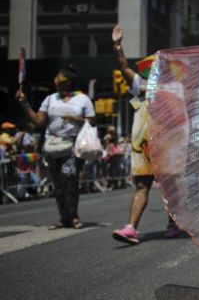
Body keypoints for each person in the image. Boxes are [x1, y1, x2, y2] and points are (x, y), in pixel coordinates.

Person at [110, 25, 180, 245]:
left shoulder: (174, 88)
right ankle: (131, 228)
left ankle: (173, 222)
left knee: (170, 187)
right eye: (150, 66)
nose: (151, 69)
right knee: (142, 185)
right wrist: (117, 46)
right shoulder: (138, 84)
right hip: (142, 146)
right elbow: (123, 67)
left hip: (168, 145)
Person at [16, 65, 95, 229]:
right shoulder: (50, 99)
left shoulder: (82, 99)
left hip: (73, 145)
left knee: (69, 175)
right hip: (52, 144)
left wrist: (74, 119)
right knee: (58, 183)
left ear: (69, 82)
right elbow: (38, 121)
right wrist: (24, 103)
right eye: (56, 82)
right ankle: (64, 217)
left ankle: (73, 215)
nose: (57, 84)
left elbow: (92, 121)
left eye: (61, 81)